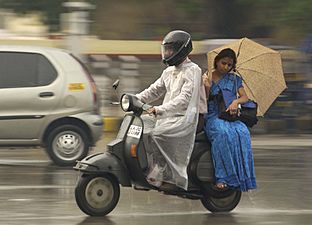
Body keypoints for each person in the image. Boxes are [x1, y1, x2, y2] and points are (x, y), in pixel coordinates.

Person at [136, 30, 206, 190]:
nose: (167, 53)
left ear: (181, 50)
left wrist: (159, 109)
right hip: (169, 115)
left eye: (170, 50)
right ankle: (149, 167)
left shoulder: (193, 70)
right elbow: (154, 90)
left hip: (189, 117)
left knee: (157, 134)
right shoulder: (168, 72)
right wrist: (134, 99)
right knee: (142, 127)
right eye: (165, 49)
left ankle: (168, 174)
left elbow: (184, 100)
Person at [202, 48, 257, 191]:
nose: (226, 67)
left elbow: (244, 97)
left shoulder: (234, 79)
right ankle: (222, 177)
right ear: (217, 61)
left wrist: (235, 102)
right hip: (213, 116)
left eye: (229, 65)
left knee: (243, 132)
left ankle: (242, 177)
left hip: (229, 116)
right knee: (222, 133)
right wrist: (207, 87)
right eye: (223, 63)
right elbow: (203, 100)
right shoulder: (207, 77)